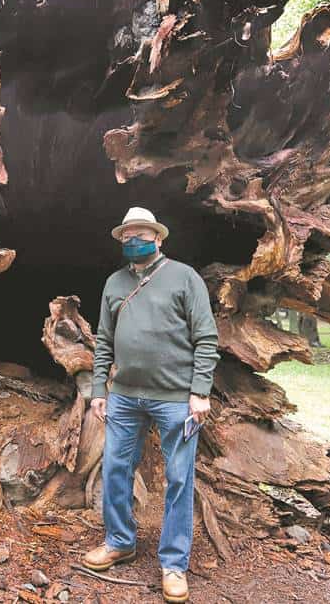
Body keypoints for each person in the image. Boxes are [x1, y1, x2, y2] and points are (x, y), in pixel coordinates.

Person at [81, 206, 220, 603]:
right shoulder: (114, 283)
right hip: (123, 397)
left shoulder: (184, 278)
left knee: (179, 479)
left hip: (176, 398)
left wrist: (200, 391)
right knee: (116, 468)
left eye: (141, 234)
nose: (133, 241)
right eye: (127, 236)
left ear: (159, 238)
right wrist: (99, 390)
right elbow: (104, 340)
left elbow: (206, 338)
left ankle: (174, 565)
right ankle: (119, 541)